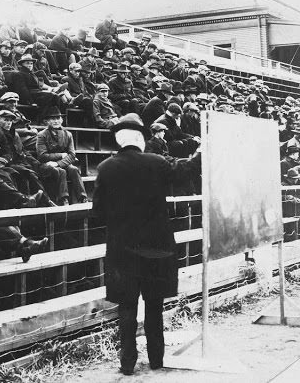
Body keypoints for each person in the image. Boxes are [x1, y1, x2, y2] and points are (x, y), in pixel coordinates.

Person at [91, 113, 201, 375]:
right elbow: (185, 170)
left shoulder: (106, 167)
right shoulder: (157, 162)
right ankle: (156, 359)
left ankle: (127, 363)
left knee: (127, 307)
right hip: (157, 247)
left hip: (122, 249)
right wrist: (200, 152)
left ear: (118, 142)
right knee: (154, 306)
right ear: (141, 140)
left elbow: (97, 212)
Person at [36, 107, 87, 205]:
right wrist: (61, 155)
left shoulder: (68, 134)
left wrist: (57, 163)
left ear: (62, 120)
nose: (56, 121)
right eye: (52, 119)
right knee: (61, 171)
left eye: (58, 118)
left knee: (74, 169)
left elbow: (72, 155)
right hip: (46, 165)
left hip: (59, 163)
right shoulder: (42, 135)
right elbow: (42, 156)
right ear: (47, 121)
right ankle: (63, 199)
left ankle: (82, 197)